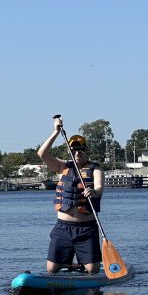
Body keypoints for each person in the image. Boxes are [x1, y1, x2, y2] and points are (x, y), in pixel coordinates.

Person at [37, 116, 104, 274]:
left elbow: (100, 188)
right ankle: (71, 266)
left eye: (80, 150)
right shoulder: (62, 167)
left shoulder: (96, 169)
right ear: (70, 151)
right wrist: (56, 132)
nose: (77, 153)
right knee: (51, 269)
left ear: (86, 151)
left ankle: (82, 266)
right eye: (74, 150)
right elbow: (42, 154)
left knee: (93, 269)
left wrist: (93, 191)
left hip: (86, 229)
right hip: (63, 228)